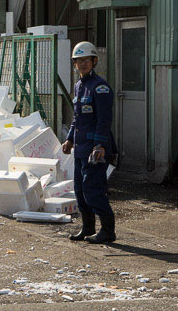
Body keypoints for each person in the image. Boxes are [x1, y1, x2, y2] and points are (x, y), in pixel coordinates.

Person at [62, 41, 117, 244]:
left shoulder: (100, 87)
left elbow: (104, 120)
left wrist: (100, 145)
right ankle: (87, 228)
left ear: (94, 61)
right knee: (80, 191)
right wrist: (69, 139)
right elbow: (77, 118)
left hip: (96, 149)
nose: (82, 64)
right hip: (80, 148)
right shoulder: (79, 86)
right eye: (79, 60)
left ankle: (108, 231)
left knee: (93, 189)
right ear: (74, 64)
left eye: (86, 60)